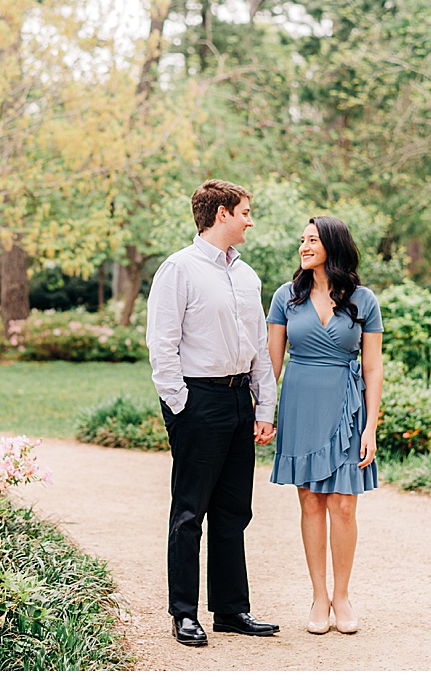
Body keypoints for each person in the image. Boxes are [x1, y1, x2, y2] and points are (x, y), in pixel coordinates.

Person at [145, 179, 280, 647]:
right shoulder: (178, 269)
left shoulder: (247, 276)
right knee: (189, 511)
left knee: (233, 510)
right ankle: (184, 613)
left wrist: (264, 406)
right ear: (221, 213)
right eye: (245, 211)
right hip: (197, 402)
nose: (250, 219)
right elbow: (161, 344)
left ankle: (230, 609)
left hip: (239, 399)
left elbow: (259, 347)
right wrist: (180, 406)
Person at [266, 216, 383, 636]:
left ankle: (343, 595)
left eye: (312, 240)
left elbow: (372, 367)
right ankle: (319, 596)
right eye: (302, 240)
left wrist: (370, 426)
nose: (304, 246)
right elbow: (272, 364)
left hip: (346, 406)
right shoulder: (285, 297)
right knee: (311, 502)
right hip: (300, 403)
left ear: (332, 245)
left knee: (345, 504)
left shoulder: (364, 299)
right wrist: (264, 413)